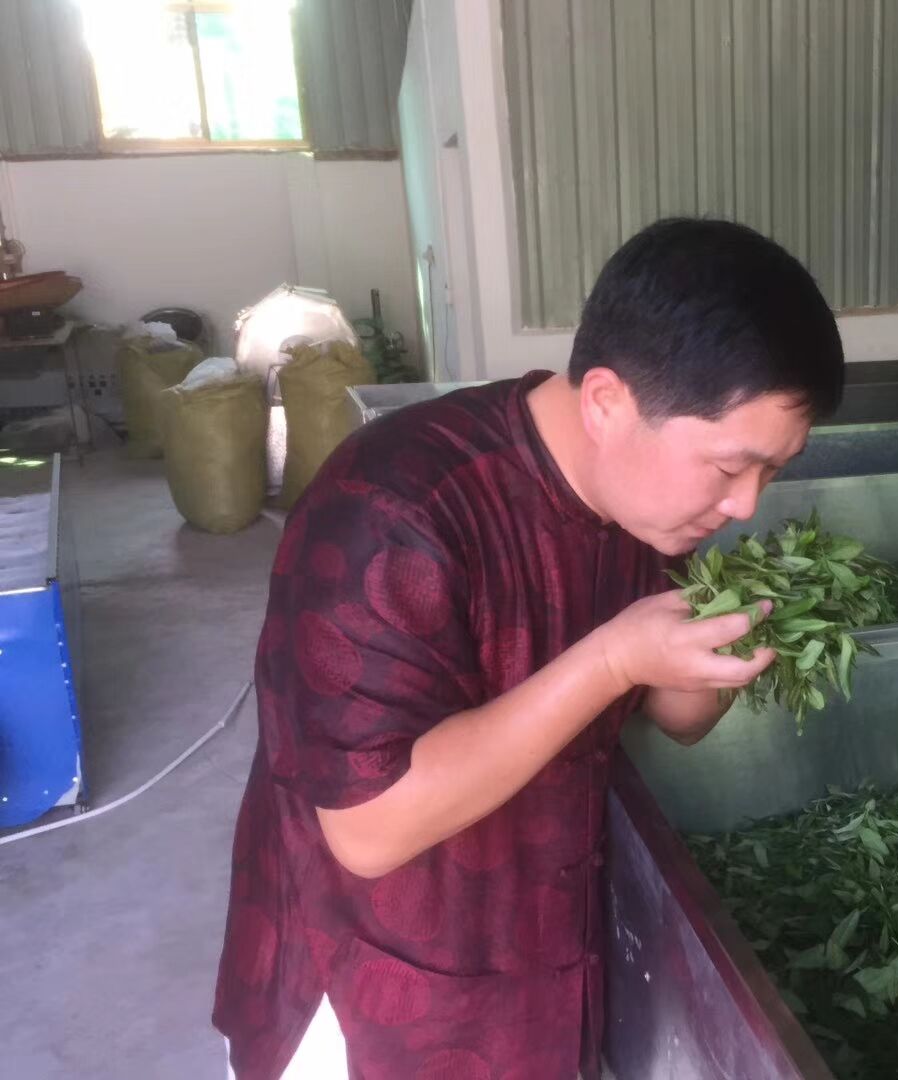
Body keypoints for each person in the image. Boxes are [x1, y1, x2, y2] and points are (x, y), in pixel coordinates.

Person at [213, 217, 845, 1079]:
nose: (746, 506)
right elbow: (370, 828)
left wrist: (732, 637)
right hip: (372, 994)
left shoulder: (647, 502)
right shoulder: (392, 508)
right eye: (732, 467)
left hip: (539, 974)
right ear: (607, 403)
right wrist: (612, 659)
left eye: (773, 471)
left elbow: (678, 717)